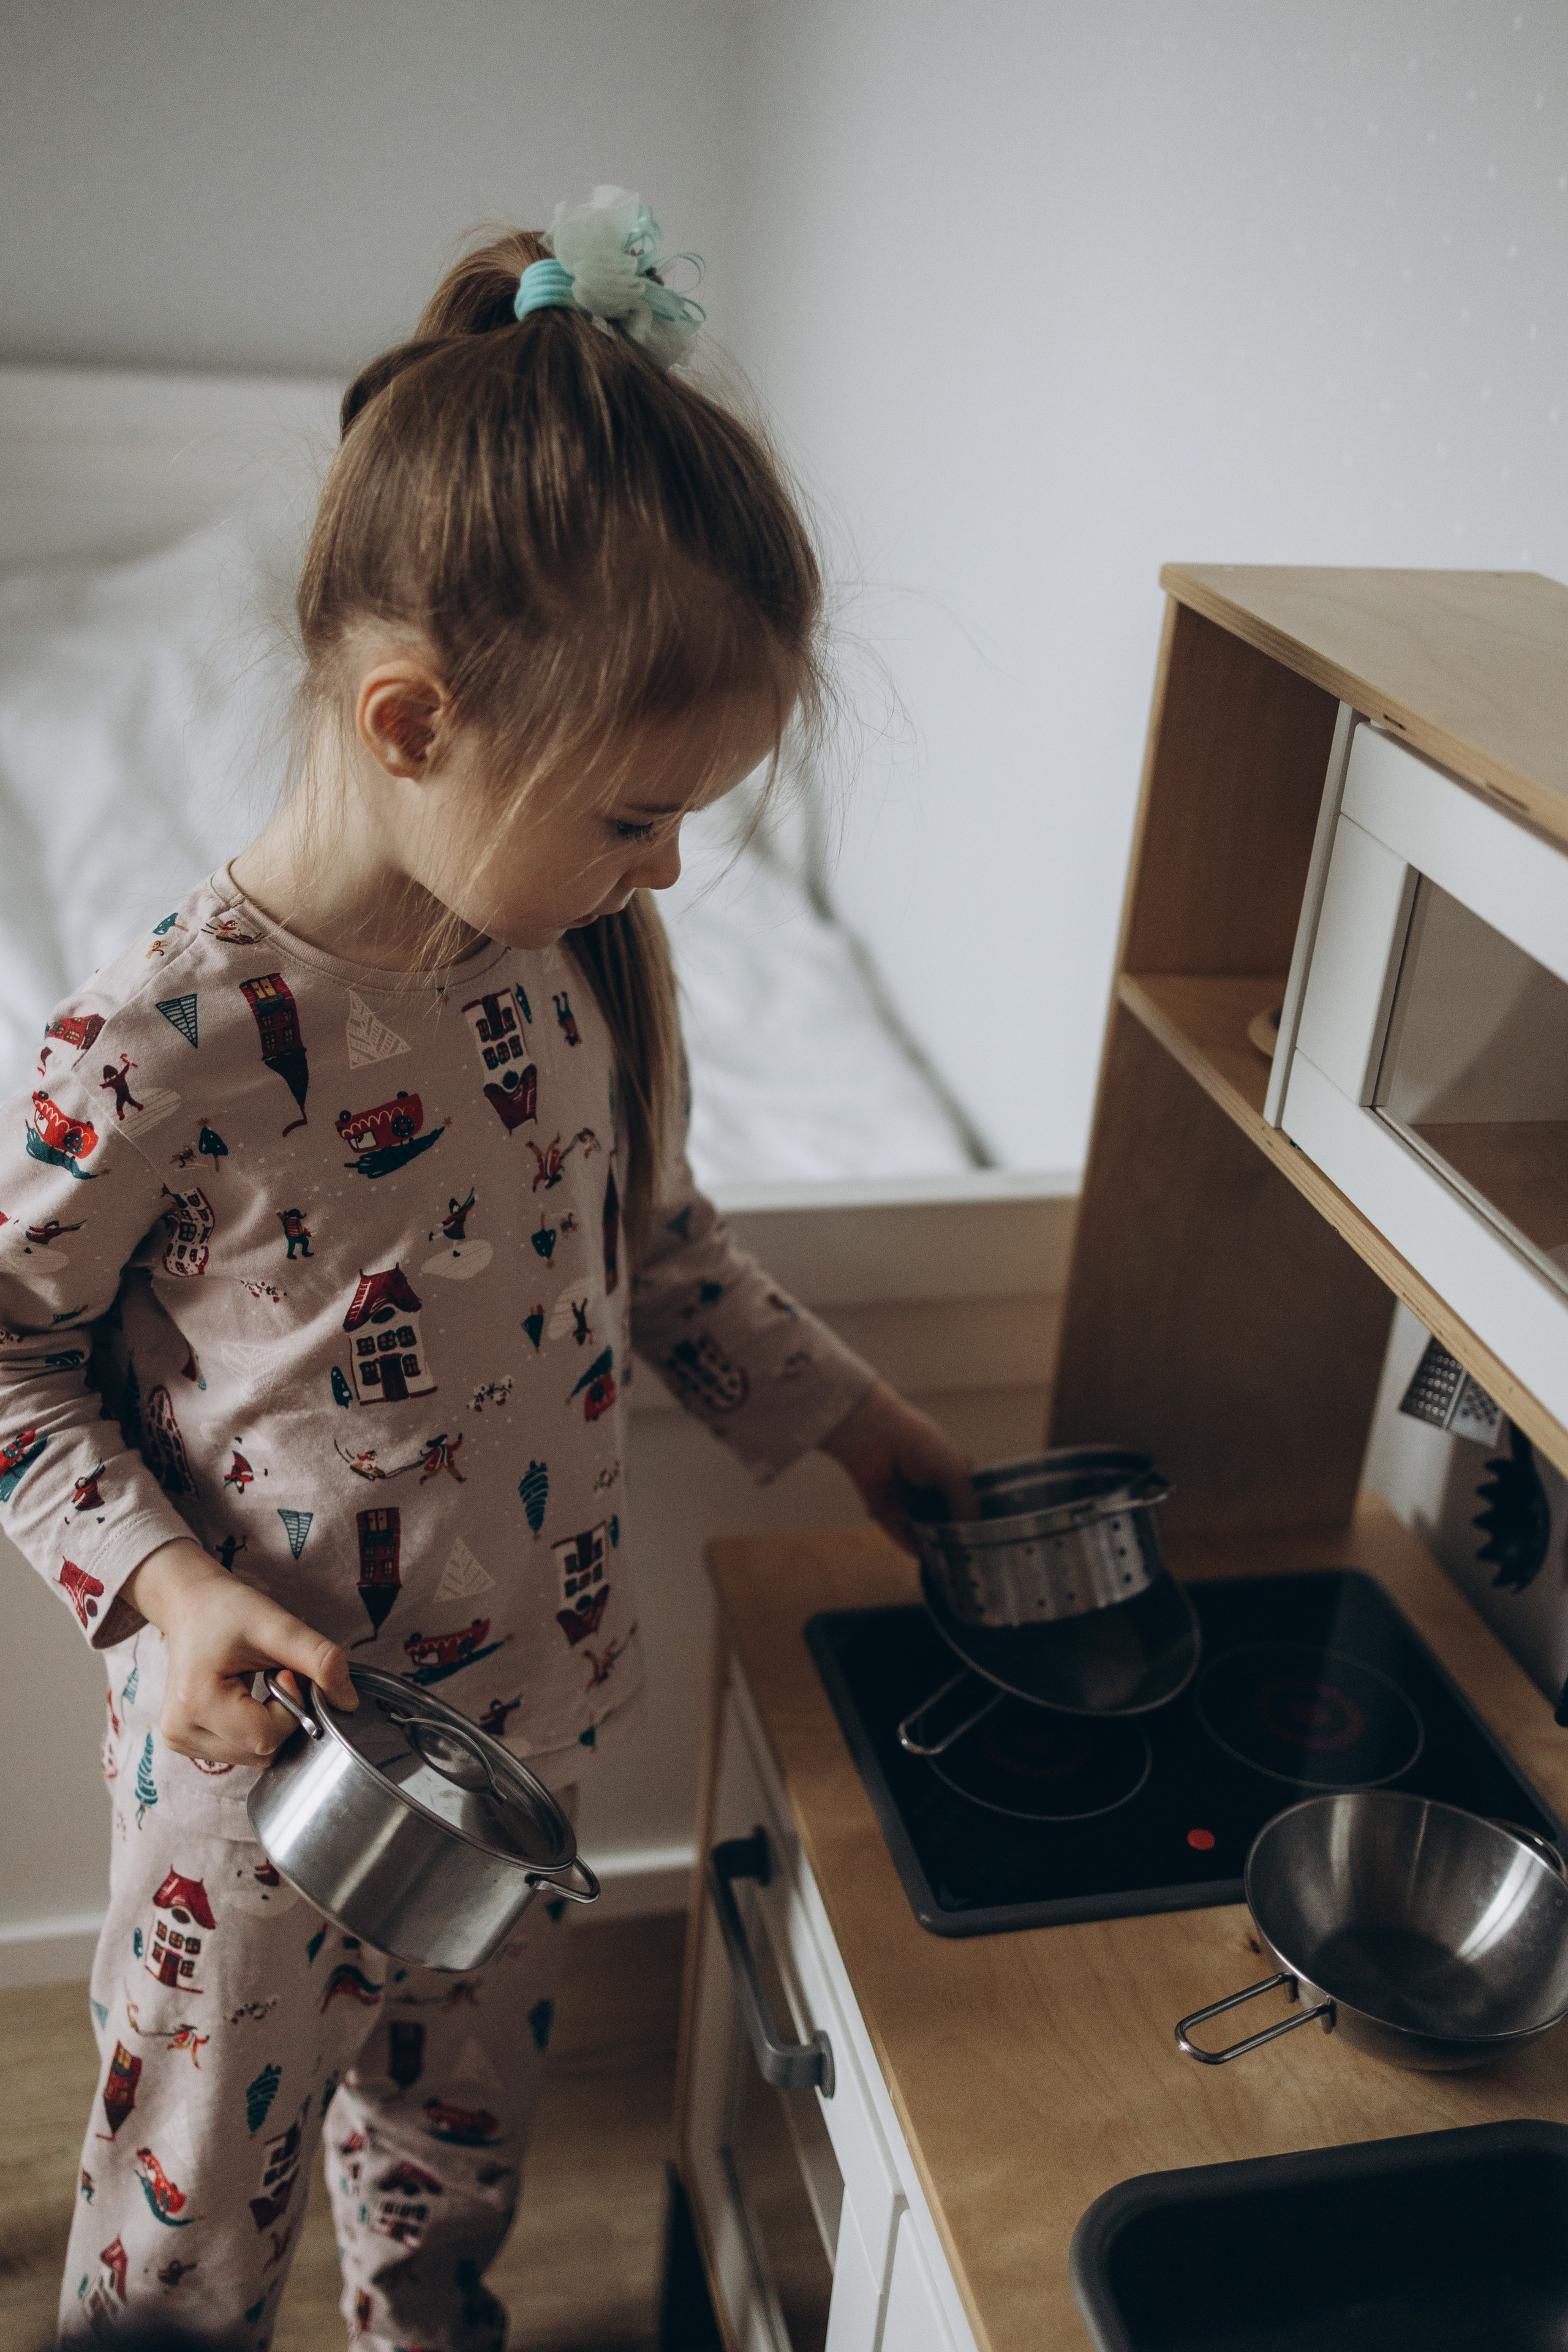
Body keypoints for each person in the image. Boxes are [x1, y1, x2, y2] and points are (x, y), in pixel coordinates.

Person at [0, 187, 971, 2351]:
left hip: (514, 1748)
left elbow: (660, 1259)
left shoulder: (564, 973)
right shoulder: (155, 1046)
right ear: (418, 723)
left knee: (448, 2174)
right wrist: (169, 1592)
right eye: (636, 813)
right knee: (184, 2246)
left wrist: (860, 1424)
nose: (670, 866)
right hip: (253, 1793)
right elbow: (7, 1368)